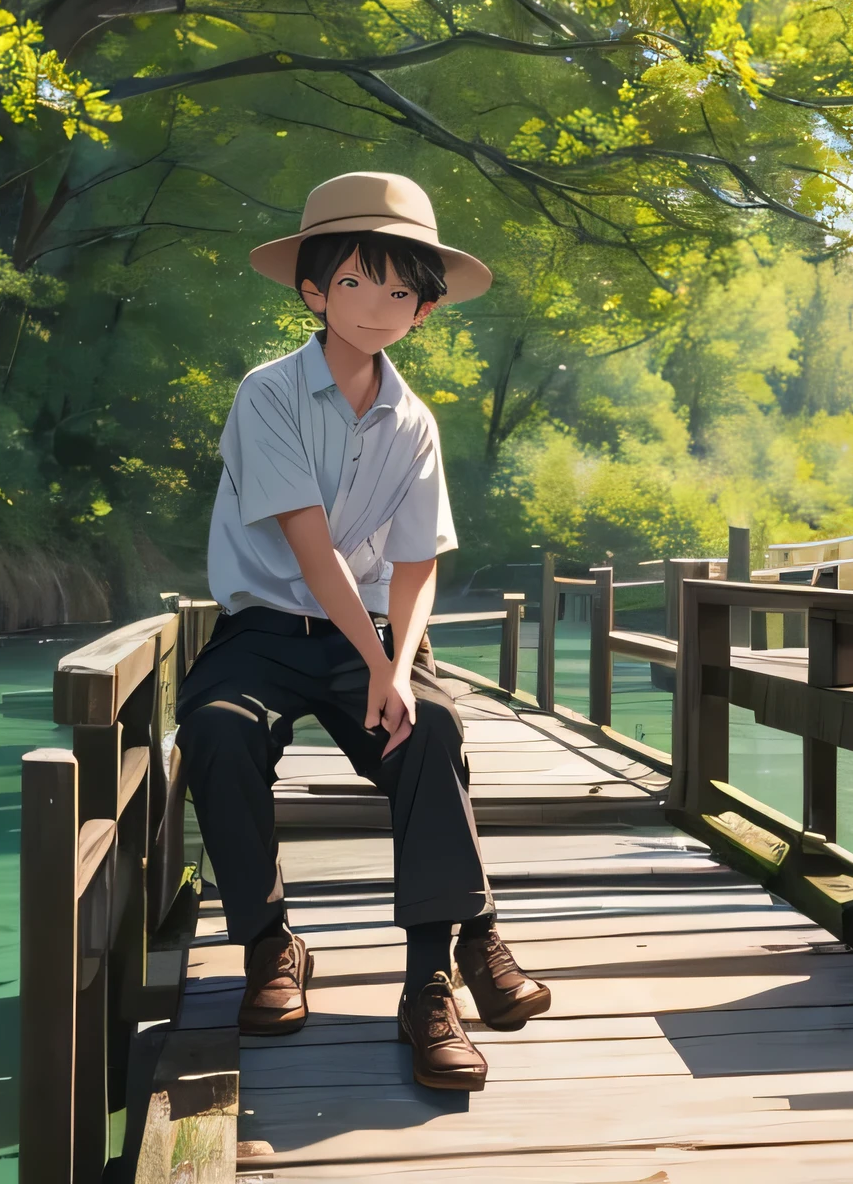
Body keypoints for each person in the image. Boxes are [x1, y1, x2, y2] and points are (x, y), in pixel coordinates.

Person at [175, 171, 551, 1091]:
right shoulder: (265, 396)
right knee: (218, 729)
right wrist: (383, 655)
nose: (377, 306)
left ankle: (432, 987)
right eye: (354, 283)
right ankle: (271, 947)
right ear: (312, 291)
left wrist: (396, 663)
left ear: (423, 309)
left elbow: (417, 562)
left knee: (433, 728)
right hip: (264, 626)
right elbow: (310, 548)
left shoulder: (414, 421)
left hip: (373, 633)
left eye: (399, 291)